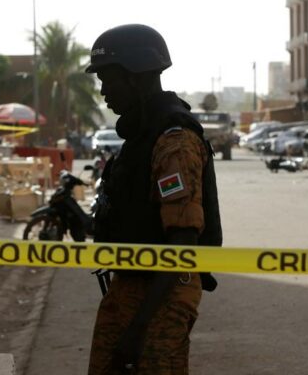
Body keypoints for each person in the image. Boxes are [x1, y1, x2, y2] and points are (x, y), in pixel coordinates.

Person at [85, 24, 222, 374]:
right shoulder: (142, 134)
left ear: (137, 77)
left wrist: (139, 329)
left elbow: (182, 242)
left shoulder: (174, 141)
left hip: (163, 295)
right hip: (131, 285)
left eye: (108, 79)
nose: (103, 91)